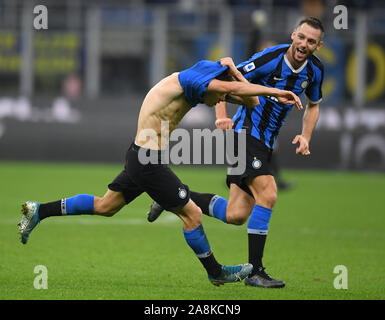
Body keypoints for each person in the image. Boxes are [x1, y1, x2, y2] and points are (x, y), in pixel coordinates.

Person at [18, 58, 302, 286]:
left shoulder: (200, 80)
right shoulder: (192, 81)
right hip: (147, 161)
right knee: (191, 214)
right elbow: (241, 93)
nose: (219, 103)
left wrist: (232, 71)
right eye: (220, 96)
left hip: (140, 156)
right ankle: (216, 271)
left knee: (105, 206)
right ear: (214, 84)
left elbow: (248, 100)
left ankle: (39, 210)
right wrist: (275, 91)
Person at [148, 17, 324, 288]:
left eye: (311, 41)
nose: (304, 44)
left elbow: (313, 104)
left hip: (265, 142)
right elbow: (224, 77)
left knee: (236, 214)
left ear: (318, 46)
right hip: (245, 134)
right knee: (269, 193)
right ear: (293, 35)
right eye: (301, 37)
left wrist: (306, 136)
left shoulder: (314, 71)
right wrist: (221, 115)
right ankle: (256, 272)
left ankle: (172, 196)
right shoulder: (271, 58)